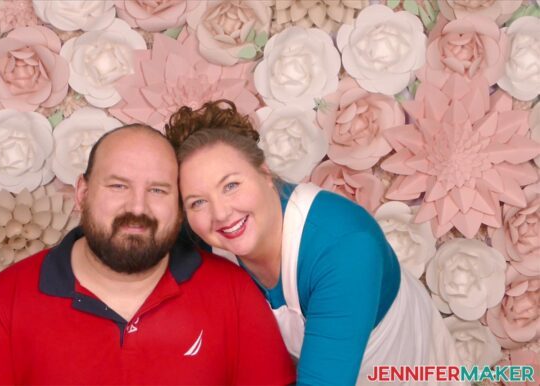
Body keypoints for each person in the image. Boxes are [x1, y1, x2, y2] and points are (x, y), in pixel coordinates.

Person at [0, 124, 296, 385]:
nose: (137, 207)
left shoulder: (232, 292)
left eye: (158, 190)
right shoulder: (8, 298)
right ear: (81, 192)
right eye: (118, 186)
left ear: (178, 204)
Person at [165, 101, 462, 385]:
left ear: (265, 174)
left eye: (231, 185)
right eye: (198, 202)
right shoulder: (201, 232)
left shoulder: (343, 248)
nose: (220, 213)